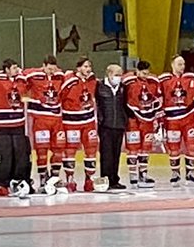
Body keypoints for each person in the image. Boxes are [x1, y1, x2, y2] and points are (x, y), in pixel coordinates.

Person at [159, 54, 194, 186]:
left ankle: (190, 174)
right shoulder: (163, 80)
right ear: (172, 65)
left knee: (192, 146)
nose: (182, 67)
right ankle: (175, 174)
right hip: (171, 120)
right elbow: (156, 96)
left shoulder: (192, 78)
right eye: (179, 64)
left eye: (183, 64)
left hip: (189, 119)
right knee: (174, 148)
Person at [0, 59, 31, 190]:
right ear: (6, 69)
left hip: (17, 123)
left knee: (19, 153)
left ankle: (18, 179)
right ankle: (0, 180)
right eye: (13, 68)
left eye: (17, 67)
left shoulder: (21, 80)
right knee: (3, 154)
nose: (16, 70)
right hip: (0, 125)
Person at [25, 56, 66, 190]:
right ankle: (43, 178)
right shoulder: (34, 75)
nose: (51, 72)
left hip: (57, 119)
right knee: (41, 151)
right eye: (48, 68)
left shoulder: (60, 76)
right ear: (43, 66)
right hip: (40, 119)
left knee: (58, 150)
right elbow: (18, 77)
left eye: (53, 69)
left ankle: (54, 178)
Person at [59, 56, 99, 192]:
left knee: (91, 150)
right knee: (70, 151)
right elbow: (60, 97)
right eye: (85, 66)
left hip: (88, 122)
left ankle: (89, 180)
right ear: (78, 68)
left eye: (89, 66)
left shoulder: (93, 81)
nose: (88, 69)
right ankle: (70, 179)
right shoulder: (69, 81)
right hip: (71, 122)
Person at [124, 60, 162, 189]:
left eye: (147, 73)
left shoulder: (153, 82)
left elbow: (158, 100)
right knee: (133, 148)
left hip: (148, 120)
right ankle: (133, 175)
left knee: (145, 148)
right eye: (143, 73)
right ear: (137, 71)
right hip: (133, 119)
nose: (145, 75)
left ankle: (143, 174)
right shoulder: (128, 81)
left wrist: (157, 117)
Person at [95, 63, 128, 192]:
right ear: (109, 74)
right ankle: (106, 178)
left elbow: (126, 104)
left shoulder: (123, 88)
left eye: (120, 75)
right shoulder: (100, 87)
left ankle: (115, 179)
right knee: (106, 154)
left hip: (119, 124)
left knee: (116, 154)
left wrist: (125, 120)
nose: (119, 77)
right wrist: (100, 120)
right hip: (105, 125)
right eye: (116, 75)